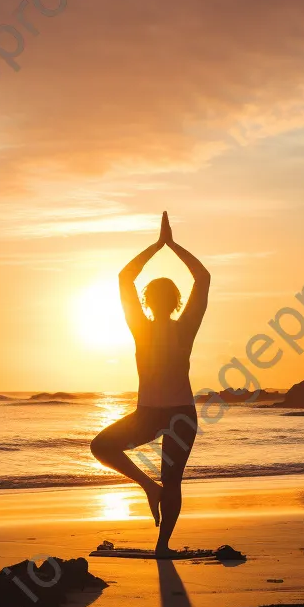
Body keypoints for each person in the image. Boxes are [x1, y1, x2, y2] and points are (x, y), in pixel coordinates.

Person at [91, 212, 210, 556]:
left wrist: (159, 246)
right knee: (109, 450)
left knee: (105, 449)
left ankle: (160, 534)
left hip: (166, 415)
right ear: (173, 302)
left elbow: (125, 277)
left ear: (151, 301)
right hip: (167, 415)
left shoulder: (144, 327)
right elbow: (201, 277)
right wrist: (170, 246)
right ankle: (154, 510)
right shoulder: (182, 326)